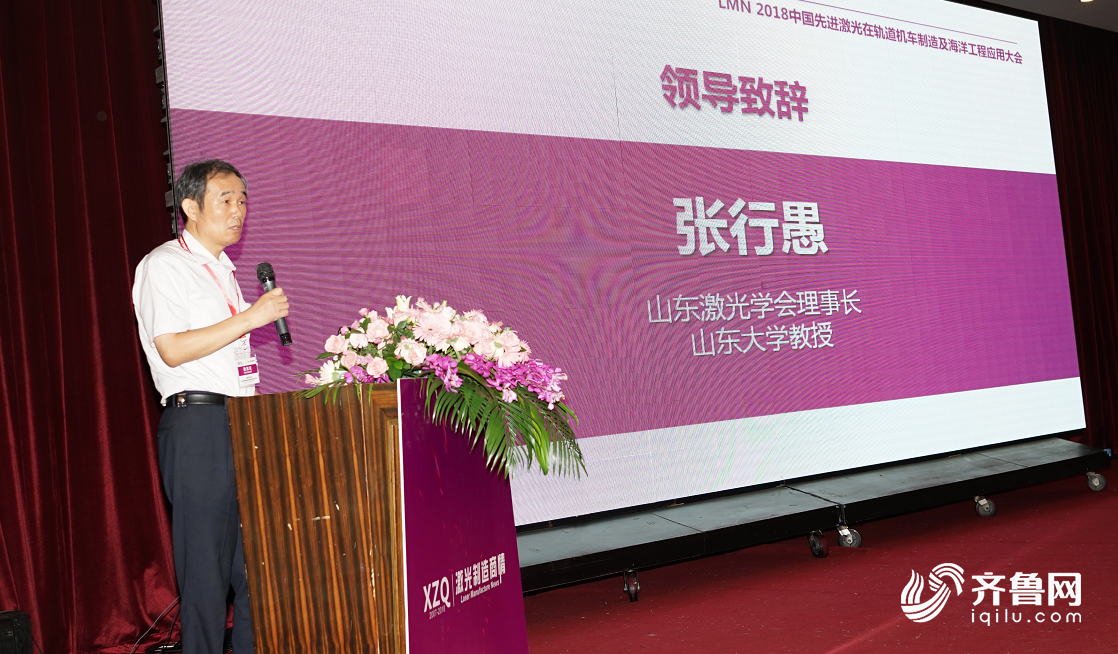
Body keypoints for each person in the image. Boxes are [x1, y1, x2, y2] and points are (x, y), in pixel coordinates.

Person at [132, 159, 289, 654]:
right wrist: (251, 318)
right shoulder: (164, 265)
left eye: (242, 200)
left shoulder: (225, 272)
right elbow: (172, 348)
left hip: (241, 423)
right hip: (198, 424)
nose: (238, 210)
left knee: (257, 571)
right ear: (191, 207)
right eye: (225, 199)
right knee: (205, 575)